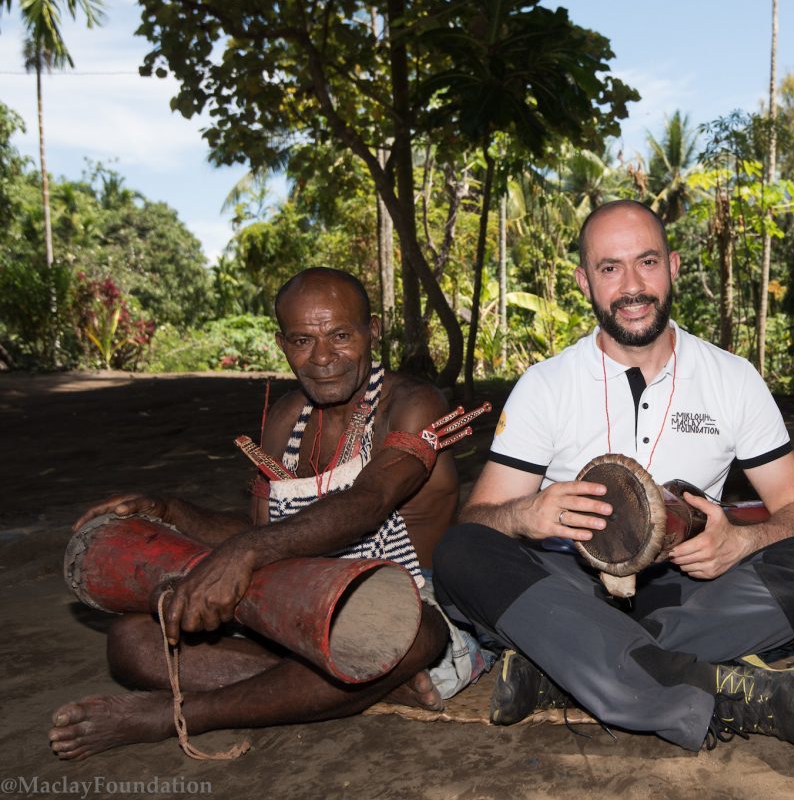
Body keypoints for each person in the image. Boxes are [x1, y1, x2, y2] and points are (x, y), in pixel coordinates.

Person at [433, 200, 794, 752]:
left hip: (694, 586)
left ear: (674, 266)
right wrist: (527, 513)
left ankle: (564, 665)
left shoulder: (732, 378)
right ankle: (709, 689)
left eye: (648, 262)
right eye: (610, 268)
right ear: (585, 281)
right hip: (570, 582)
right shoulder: (547, 384)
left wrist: (742, 541)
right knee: (461, 552)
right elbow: (479, 516)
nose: (632, 285)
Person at [49, 267, 476, 761]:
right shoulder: (285, 419)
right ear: (281, 342)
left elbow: (368, 503)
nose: (321, 358)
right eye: (301, 340)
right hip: (298, 599)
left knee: (418, 635)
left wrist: (245, 552)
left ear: (372, 331)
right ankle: (360, 684)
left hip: (409, 600)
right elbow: (267, 535)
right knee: (131, 641)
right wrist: (168, 511)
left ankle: (178, 715)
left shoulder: (412, 403)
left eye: (340, 336)